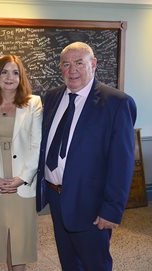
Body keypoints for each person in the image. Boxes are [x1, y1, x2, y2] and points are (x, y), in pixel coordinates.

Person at [36, 41, 137, 270]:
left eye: (79, 63)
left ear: (93, 64)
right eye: (66, 64)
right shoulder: (51, 97)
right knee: (69, 263)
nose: (72, 70)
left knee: (95, 264)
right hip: (56, 198)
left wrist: (111, 209)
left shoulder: (117, 103)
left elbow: (122, 163)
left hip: (91, 205)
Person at [0, 55, 42, 271]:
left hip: (21, 181)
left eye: (15, 72)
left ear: (21, 77)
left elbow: (36, 145)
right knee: (4, 235)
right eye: (4, 72)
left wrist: (21, 178)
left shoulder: (33, 103)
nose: (9, 77)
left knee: (20, 239)